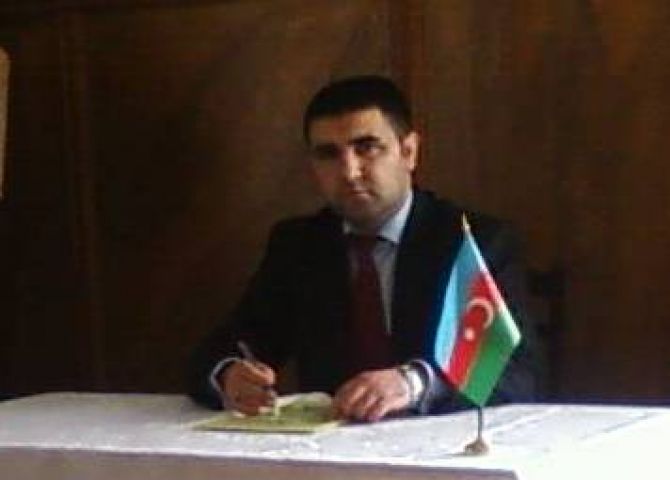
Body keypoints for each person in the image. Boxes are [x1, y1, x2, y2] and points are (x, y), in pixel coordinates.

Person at [187, 75, 539, 422]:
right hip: (329, 447)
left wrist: (413, 383)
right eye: (328, 154)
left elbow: (517, 371)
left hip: (440, 441)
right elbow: (227, 347)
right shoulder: (298, 244)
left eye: (367, 147)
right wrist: (229, 374)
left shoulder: (472, 241)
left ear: (408, 152)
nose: (349, 171)